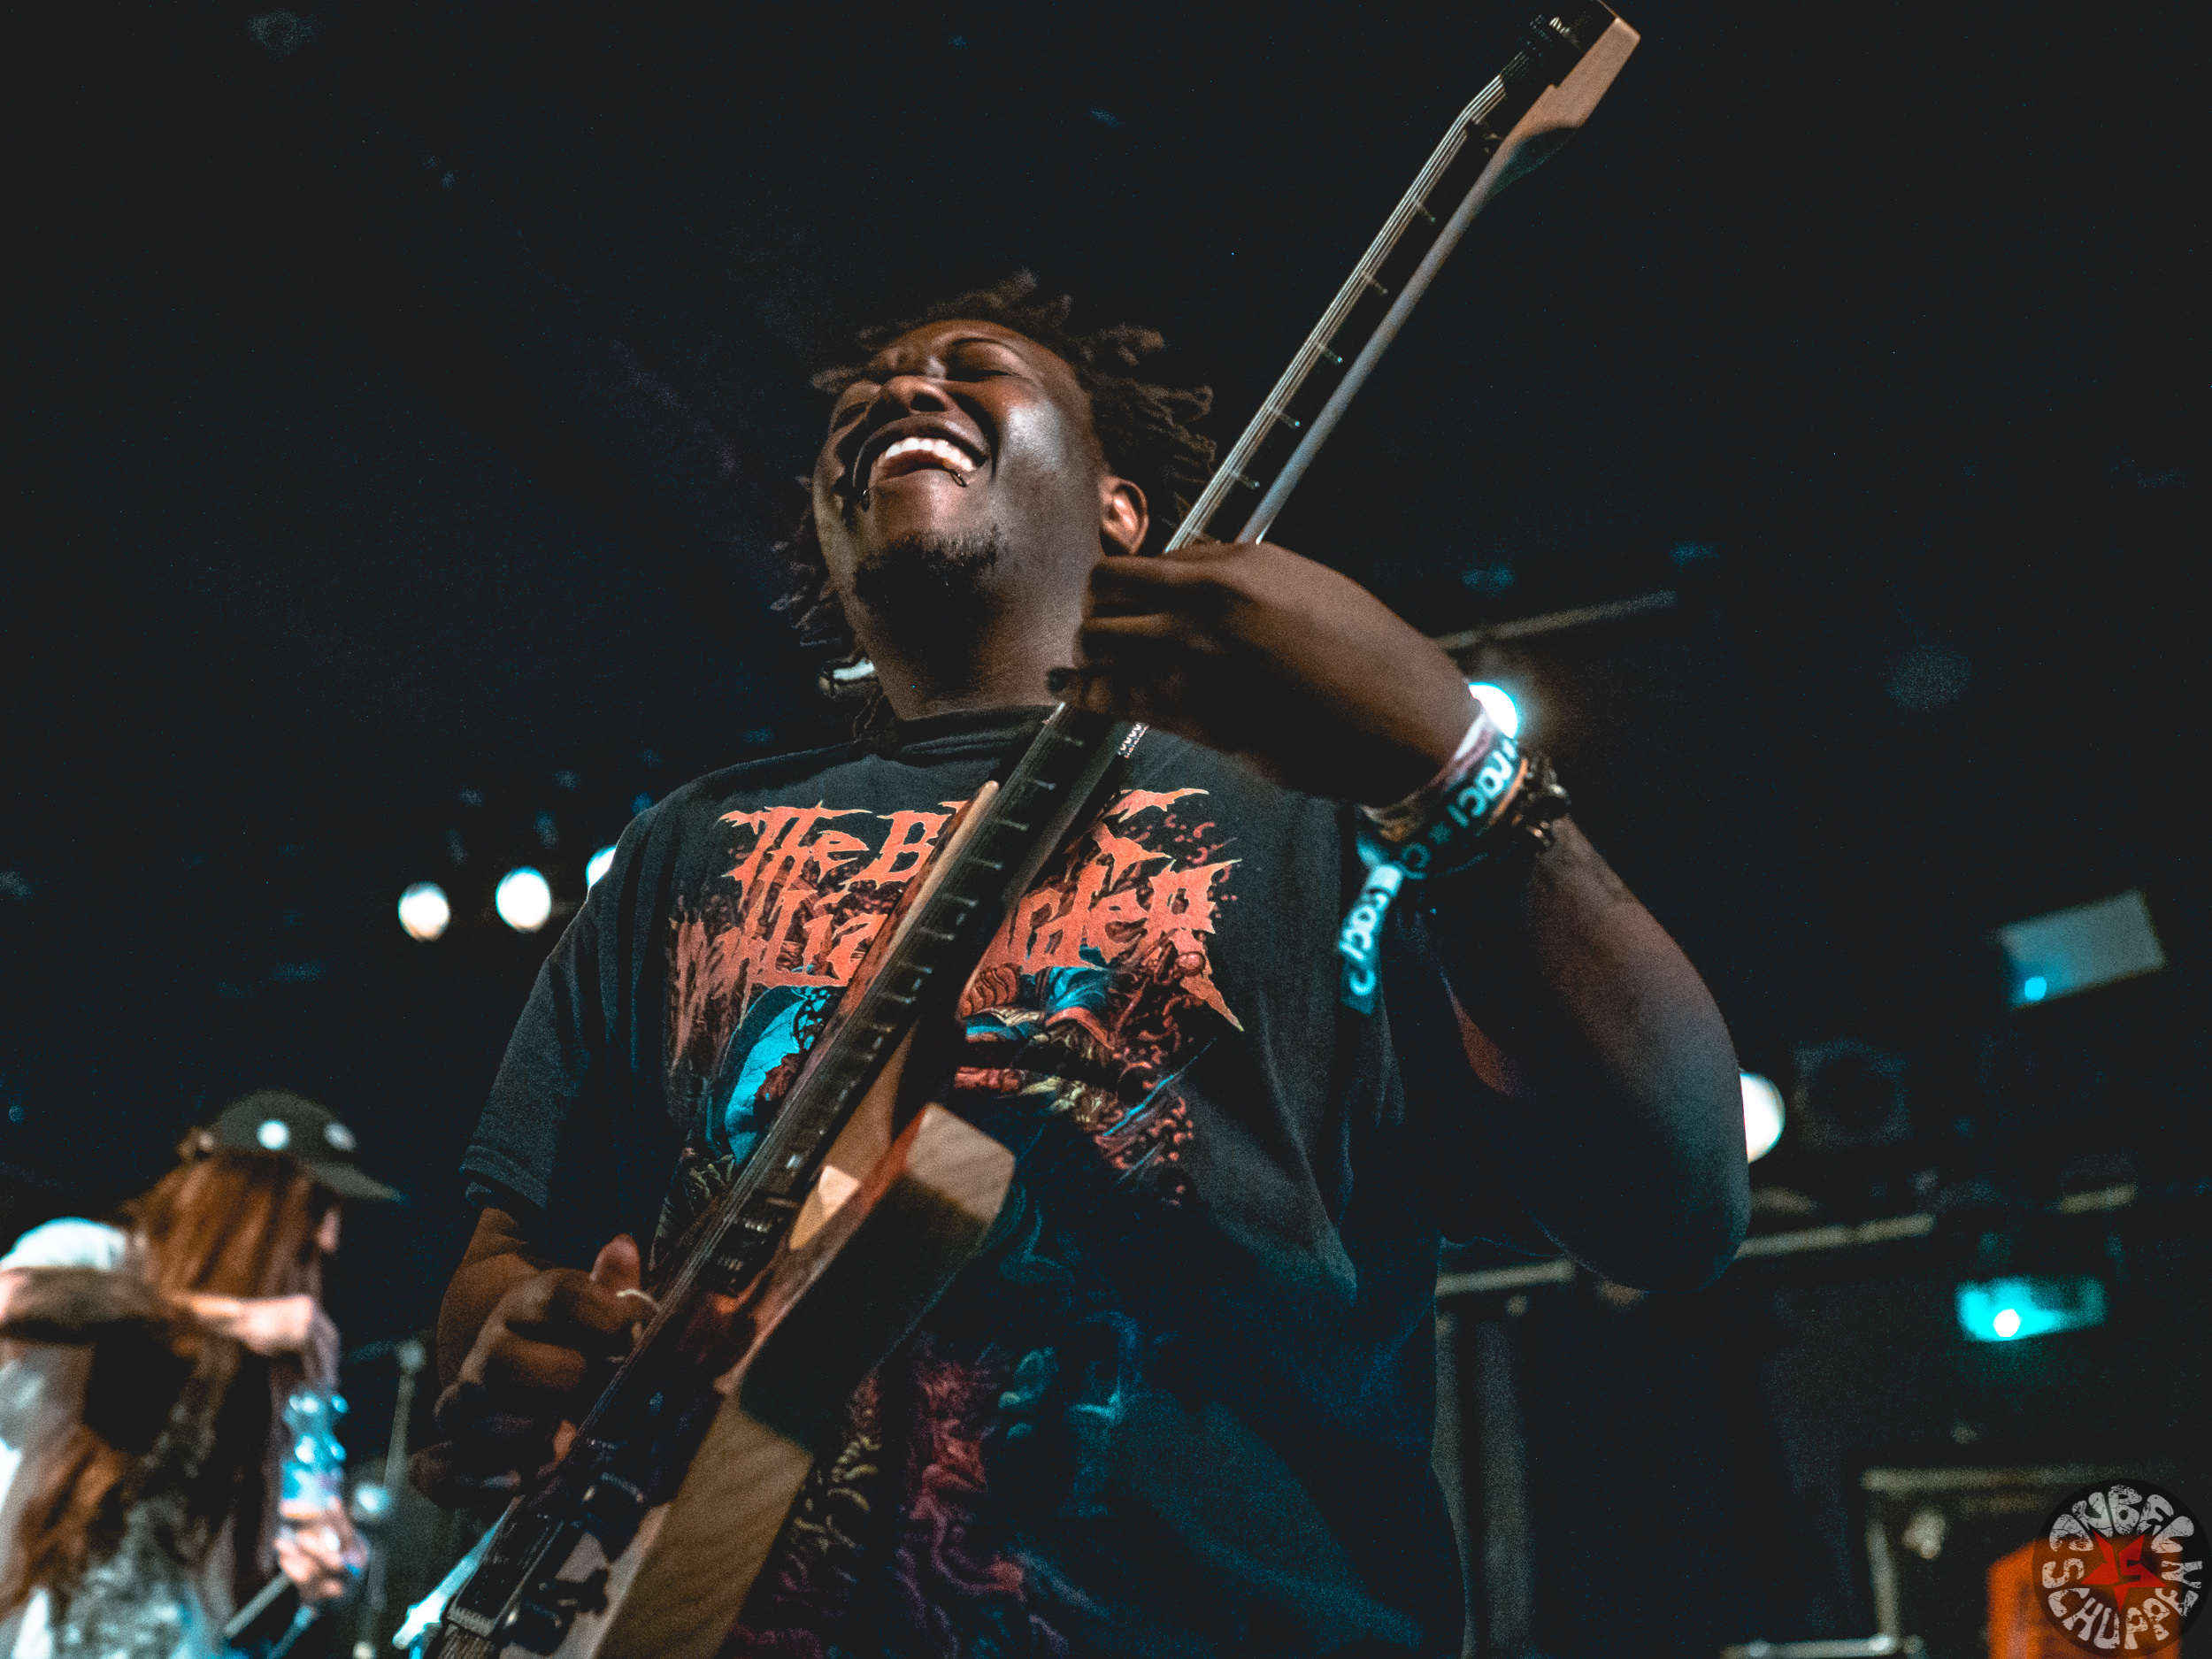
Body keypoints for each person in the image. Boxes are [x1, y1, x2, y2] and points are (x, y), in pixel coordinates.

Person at [422, 274, 1750, 1655]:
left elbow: (1676, 1208)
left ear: (1122, 509)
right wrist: (513, 1345)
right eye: (865, 392)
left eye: (973, 366)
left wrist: (1458, 769)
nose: (900, 388)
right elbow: (506, 1260)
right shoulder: (686, 844)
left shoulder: (1315, 799)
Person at [0, 1091, 396, 1657]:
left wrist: (313, 1575)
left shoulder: (282, 1372)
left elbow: (264, 1574)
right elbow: (12, 1301)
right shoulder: (99, 1256)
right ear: (242, 1198)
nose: (328, 1240)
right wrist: (234, 1317)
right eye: (314, 1208)